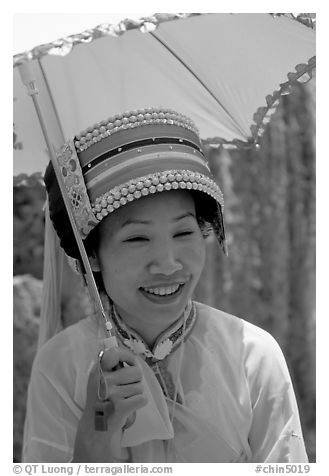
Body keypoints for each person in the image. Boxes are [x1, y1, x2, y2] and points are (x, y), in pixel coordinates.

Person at [22, 107, 308, 463]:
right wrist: (98, 430)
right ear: (91, 255)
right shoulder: (62, 365)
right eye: (137, 238)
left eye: (184, 232)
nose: (169, 264)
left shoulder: (252, 355)